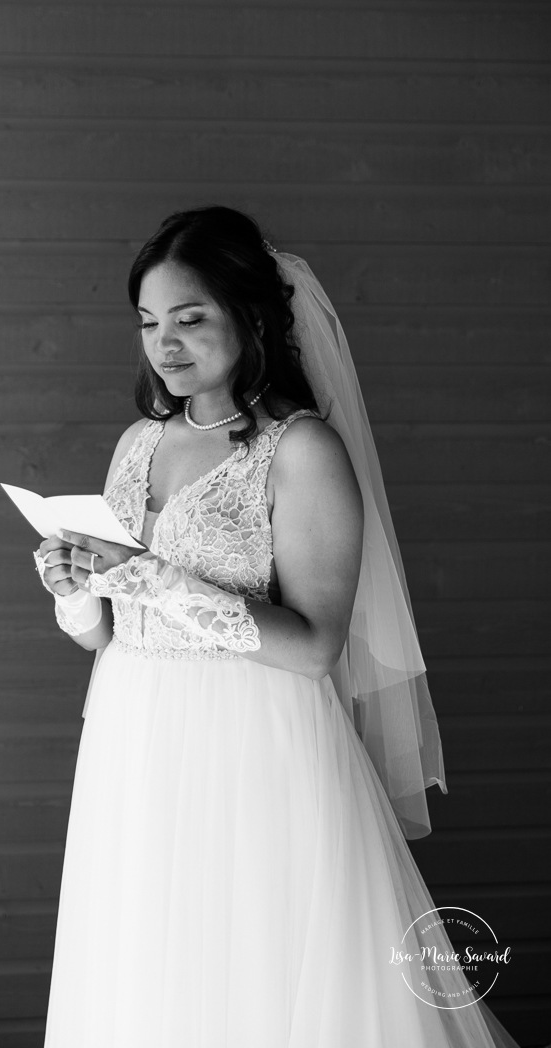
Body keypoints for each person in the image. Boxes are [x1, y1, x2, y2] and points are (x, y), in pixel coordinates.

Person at [34, 207, 519, 1047]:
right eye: (148, 322)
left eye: (189, 318)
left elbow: (315, 645)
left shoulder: (300, 450)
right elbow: (111, 635)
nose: (164, 344)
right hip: (132, 732)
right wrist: (76, 589)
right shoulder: (137, 443)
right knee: (145, 960)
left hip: (251, 736)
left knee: (255, 955)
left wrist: (150, 574)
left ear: (250, 316)